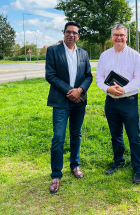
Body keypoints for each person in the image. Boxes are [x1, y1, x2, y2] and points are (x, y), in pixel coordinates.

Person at [45, 21, 93, 194]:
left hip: (79, 101)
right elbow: (50, 76)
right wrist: (69, 91)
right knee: (58, 137)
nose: (71, 35)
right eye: (68, 32)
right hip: (61, 101)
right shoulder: (53, 51)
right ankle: (56, 175)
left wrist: (79, 91)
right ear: (63, 33)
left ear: (78, 36)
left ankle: (75, 165)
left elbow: (88, 76)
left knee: (76, 134)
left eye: (74, 32)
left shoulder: (83, 53)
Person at [95, 23, 140, 184]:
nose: (119, 38)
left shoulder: (134, 55)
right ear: (111, 37)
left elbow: (139, 78)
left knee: (134, 136)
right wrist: (108, 89)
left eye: (122, 35)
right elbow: (99, 77)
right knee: (115, 135)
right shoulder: (104, 56)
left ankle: (139, 167)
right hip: (111, 101)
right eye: (116, 35)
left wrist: (124, 90)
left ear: (126, 37)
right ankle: (118, 161)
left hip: (129, 101)